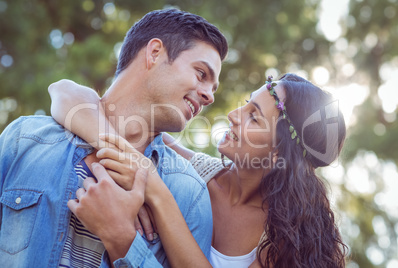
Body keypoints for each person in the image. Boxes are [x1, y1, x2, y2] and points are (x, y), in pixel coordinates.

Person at [0, 8, 228, 267]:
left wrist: (123, 239)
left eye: (213, 87)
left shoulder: (187, 191)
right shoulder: (24, 139)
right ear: (154, 53)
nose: (210, 95)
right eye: (201, 74)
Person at [51, 73, 348, 267]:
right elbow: (65, 93)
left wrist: (154, 190)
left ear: (279, 152)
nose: (233, 115)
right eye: (246, 105)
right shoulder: (199, 172)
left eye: (254, 118)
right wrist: (116, 152)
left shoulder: (287, 234)